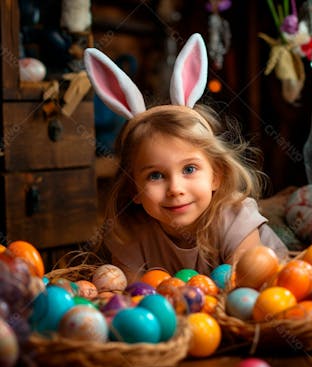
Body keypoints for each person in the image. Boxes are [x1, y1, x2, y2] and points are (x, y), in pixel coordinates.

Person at [84, 33, 288, 283]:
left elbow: (246, 290)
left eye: (189, 169)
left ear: (217, 175)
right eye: (155, 175)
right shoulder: (129, 235)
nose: (175, 189)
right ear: (132, 187)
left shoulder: (234, 216)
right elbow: (133, 302)